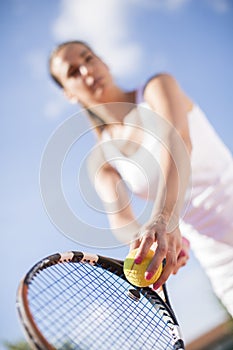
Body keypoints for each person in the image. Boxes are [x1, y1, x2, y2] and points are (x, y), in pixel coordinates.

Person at [49, 40, 233, 317]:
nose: (87, 71)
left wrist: (164, 217)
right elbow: (121, 220)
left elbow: (178, 142)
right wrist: (146, 242)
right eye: (74, 72)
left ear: (104, 62)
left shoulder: (157, 89)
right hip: (222, 264)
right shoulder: (103, 161)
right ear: (68, 93)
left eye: (89, 59)